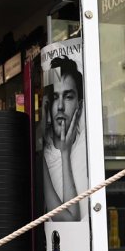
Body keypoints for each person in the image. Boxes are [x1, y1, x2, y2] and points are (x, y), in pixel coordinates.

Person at [42, 56, 85, 222]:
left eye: (68, 97)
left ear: (79, 105)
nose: (60, 106)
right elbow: (69, 220)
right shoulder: (42, 153)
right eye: (54, 97)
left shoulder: (87, 146)